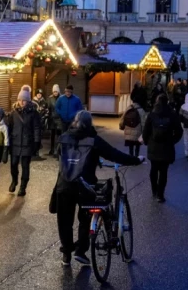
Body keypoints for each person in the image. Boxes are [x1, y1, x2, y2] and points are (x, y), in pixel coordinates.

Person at [53, 110, 143, 267]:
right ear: (89, 124)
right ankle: (81, 251)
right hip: (85, 186)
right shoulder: (93, 140)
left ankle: (66, 253)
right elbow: (114, 154)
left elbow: (59, 156)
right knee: (86, 217)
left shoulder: (63, 138)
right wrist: (136, 160)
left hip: (64, 185)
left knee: (64, 221)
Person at [142, 95, 183, 202]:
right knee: (164, 171)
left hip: (153, 146)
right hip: (167, 147)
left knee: (153, 169)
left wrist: (147, 142)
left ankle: (154, 190)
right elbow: (179, 131)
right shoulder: (172, 114)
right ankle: (160, 195)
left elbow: (146, 131)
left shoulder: (152, 114)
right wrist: (172, 141)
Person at [8, 86, 42, 197]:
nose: (21, 102)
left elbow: (37, 127)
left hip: (28, 142)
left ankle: (22, 187)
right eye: (20, 100)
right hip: (15, 142)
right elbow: (9, 127)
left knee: (25, 166)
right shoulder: (13, 113)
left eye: (24, 100)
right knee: (13, 164)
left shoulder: (34, 113)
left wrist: (37, 142)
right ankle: (14, 181)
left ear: (28, 101)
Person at [54, 85, 84, 157]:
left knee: (72, 136)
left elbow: (80, 109)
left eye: (69, 92)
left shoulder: (77, 99)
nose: (68, 93)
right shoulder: (61, 99)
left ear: (72, 92)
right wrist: (60, 113)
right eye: (66, 91)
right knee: (64, 136)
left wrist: (75, 115)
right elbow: (57, 107)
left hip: (72, 122)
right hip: (63, 121)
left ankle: (72, 152)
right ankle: (63, 152)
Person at [47, 85, 63, 156]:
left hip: (59, 119)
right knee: (52, 135)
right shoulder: (50, 99)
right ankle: (52, 149)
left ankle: (58, 149)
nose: (55, 93)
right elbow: (48, 107)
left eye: (56, 91)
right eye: (54, 91)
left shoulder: (62, 98)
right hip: (52, 119)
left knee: (59, 135)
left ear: (58, 91)